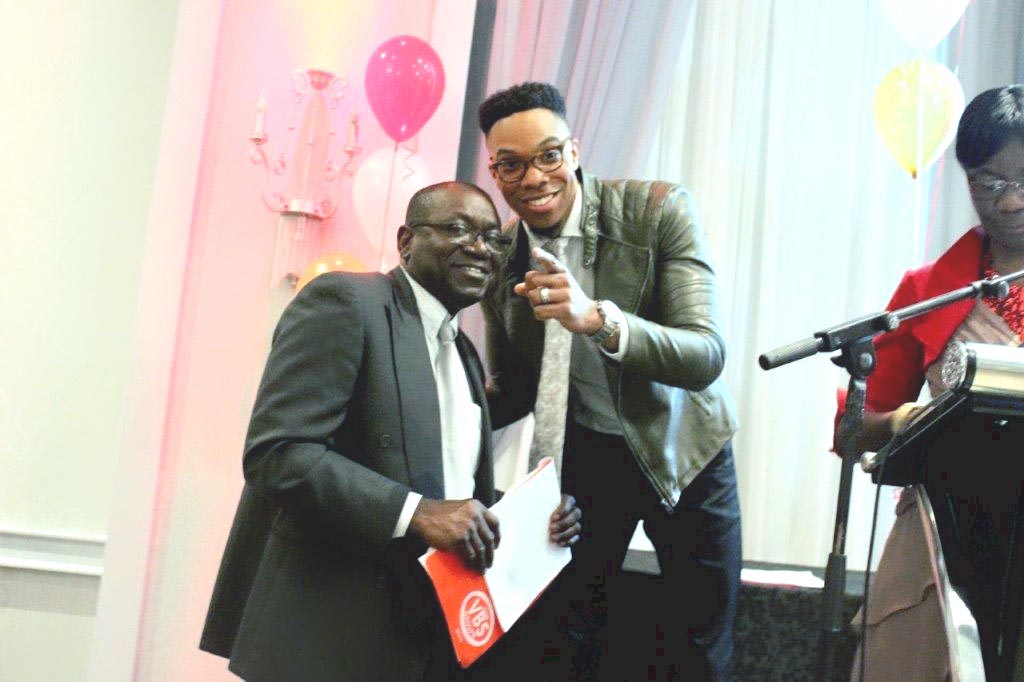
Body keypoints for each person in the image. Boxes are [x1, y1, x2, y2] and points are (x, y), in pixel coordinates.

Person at [198, 181, 582, 681]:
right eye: (458, 229)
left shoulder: (463, 352)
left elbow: (442, 485)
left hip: (418, 636)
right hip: (329, 634)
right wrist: (416, 512)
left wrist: (529, 515)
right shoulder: (347, 302)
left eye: (493, 238)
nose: (479, 248)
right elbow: (280, 453)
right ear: (406, 241)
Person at [477, 82, 741, 680]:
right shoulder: (499, 258)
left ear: (573, 151)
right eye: (511, 165)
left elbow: (705, 354)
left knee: (700, 645)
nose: (534, 178)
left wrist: (597, 319)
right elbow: (512, 391)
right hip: (590, 453)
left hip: (685, 450)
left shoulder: (658, 210)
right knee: (566, 634)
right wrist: (428, 412)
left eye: (549, 155)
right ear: (494, 172)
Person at [846, 85, 1024, 681]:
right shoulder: (930, 290)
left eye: (1023, 178)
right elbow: (854, 427)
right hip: (953, 531)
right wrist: (900, 423)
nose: (1009, 201)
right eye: (987, 182)